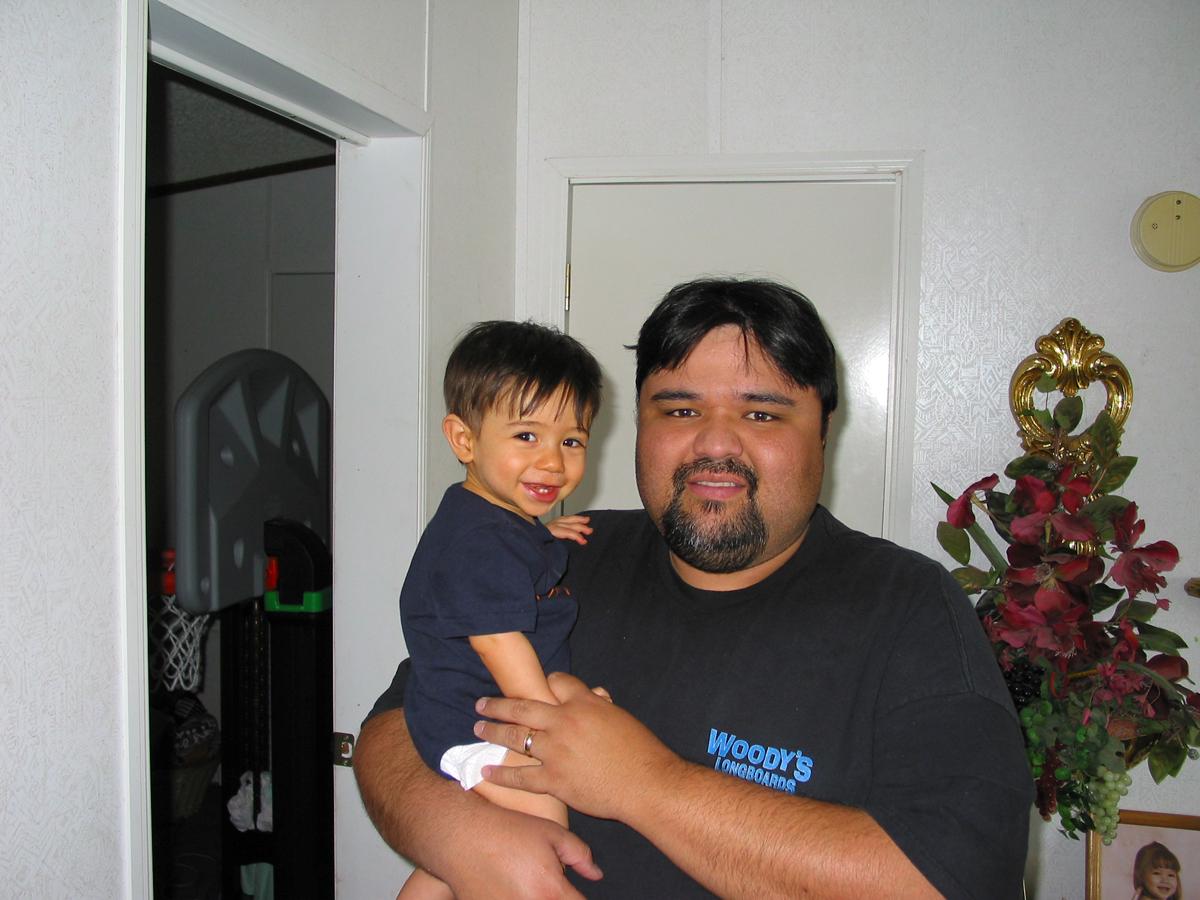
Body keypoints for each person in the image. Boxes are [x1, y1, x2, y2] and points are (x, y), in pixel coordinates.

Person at [356, 278, 1034, 898]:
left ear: (824, 432)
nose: (716, 444)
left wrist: (643, 783)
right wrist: (469, 838)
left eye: (762, 415)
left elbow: (956, 879)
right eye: (680, 410)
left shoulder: (909, 606)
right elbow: (393, 729)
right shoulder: (558, 555)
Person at [395, 320, 603, 898]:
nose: (553, 462)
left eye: (572, 441)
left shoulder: (494, 523)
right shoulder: (480, 543)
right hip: (477, 723)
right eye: (527, 436)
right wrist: (555, 724)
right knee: (542, 832)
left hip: (465, 714)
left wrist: (542, 537)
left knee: (462, 858)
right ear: (464, 441)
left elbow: (501, 568)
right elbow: (496, 640)